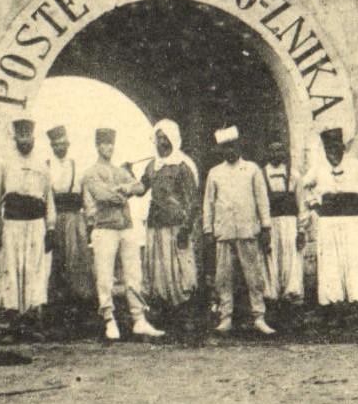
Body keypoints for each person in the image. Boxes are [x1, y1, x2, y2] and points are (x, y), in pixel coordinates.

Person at [81, 127, 164, 340]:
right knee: (105, 277)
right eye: (103, 144)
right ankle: (109, 319)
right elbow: (102, 196)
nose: (108, 147)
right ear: (97, 146)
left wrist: (126, 186)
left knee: (134, 275)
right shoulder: (91, 172)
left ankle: (139, 320)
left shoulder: (119, 170)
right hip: (104, 228)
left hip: (125, 227)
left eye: (110, 144)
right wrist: (123, 190)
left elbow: (138, 188)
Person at [201, 126, 274, 336]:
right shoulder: (214, 173)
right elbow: (209, 203)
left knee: (254, 276)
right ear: (221, 150)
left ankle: (259, 316)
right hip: (224, 232)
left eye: (232, 146)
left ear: (239, 146)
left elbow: (262, 200)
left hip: (247, 229)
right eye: (225, 148)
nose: (229, 151)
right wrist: (208, 229)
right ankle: (226, 318)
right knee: (223, 277)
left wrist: (266, 226)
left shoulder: (252, 169)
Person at [303, 126, 358, 313]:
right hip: (328, 222)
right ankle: (333, 308)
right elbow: (303, 187)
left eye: (336, 146)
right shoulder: (318, 168)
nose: (333, 151)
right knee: (330, 265)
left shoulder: (356, 165)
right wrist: (314, 204)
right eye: (328, 147)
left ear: (343, 147)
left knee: (357, 262)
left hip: (353, 221)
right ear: (324, 149)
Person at [0, 118, 56, 326]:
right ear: (15, 138)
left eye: (28, 137)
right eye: (21, 137)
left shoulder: (42, 165)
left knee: (34, 269)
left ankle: (32, 315)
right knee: (11, 266)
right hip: (13, 223)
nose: (25, 141)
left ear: (34, 138)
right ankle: (12, 317)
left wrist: (51, 227)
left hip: (36, 223)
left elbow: (48, 198)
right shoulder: (5, 163)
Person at [139, 119, 199, 310]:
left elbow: (193, 201)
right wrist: (126, 175)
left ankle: (182, 308)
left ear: (173, 140)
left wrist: (187, 228)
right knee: (157, 267)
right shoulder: (151, 166)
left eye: (166, 138)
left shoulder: (182, 166)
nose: (162, 143)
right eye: (158, 138)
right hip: (155, 224)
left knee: (177, 266)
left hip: (175, 226)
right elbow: (141, 188)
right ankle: (161, 304)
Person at [45, 124, 94, 309]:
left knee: (77, 259)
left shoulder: (77, 166)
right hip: (55, 217)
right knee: (56, 260)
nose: (60, 147)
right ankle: (57, 303)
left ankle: (80, 302)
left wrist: (89, 221)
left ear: (69, 144)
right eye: (56, 144)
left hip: (75, 218)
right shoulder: (47, 167)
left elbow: (86, 195)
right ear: (52, 146)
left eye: (63, 143)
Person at [262, 137, 306, 303]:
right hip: (270, 222)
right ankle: (271, 294)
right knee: (271, 255)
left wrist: (301, 229)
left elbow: (301, 202)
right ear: (267, 153)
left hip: (290, 222)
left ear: (284, 152)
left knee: (291, 255)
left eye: (279, 150)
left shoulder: (293, 174)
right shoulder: (261, 175)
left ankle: (292, 292)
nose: (276, 153)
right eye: (272, 150)